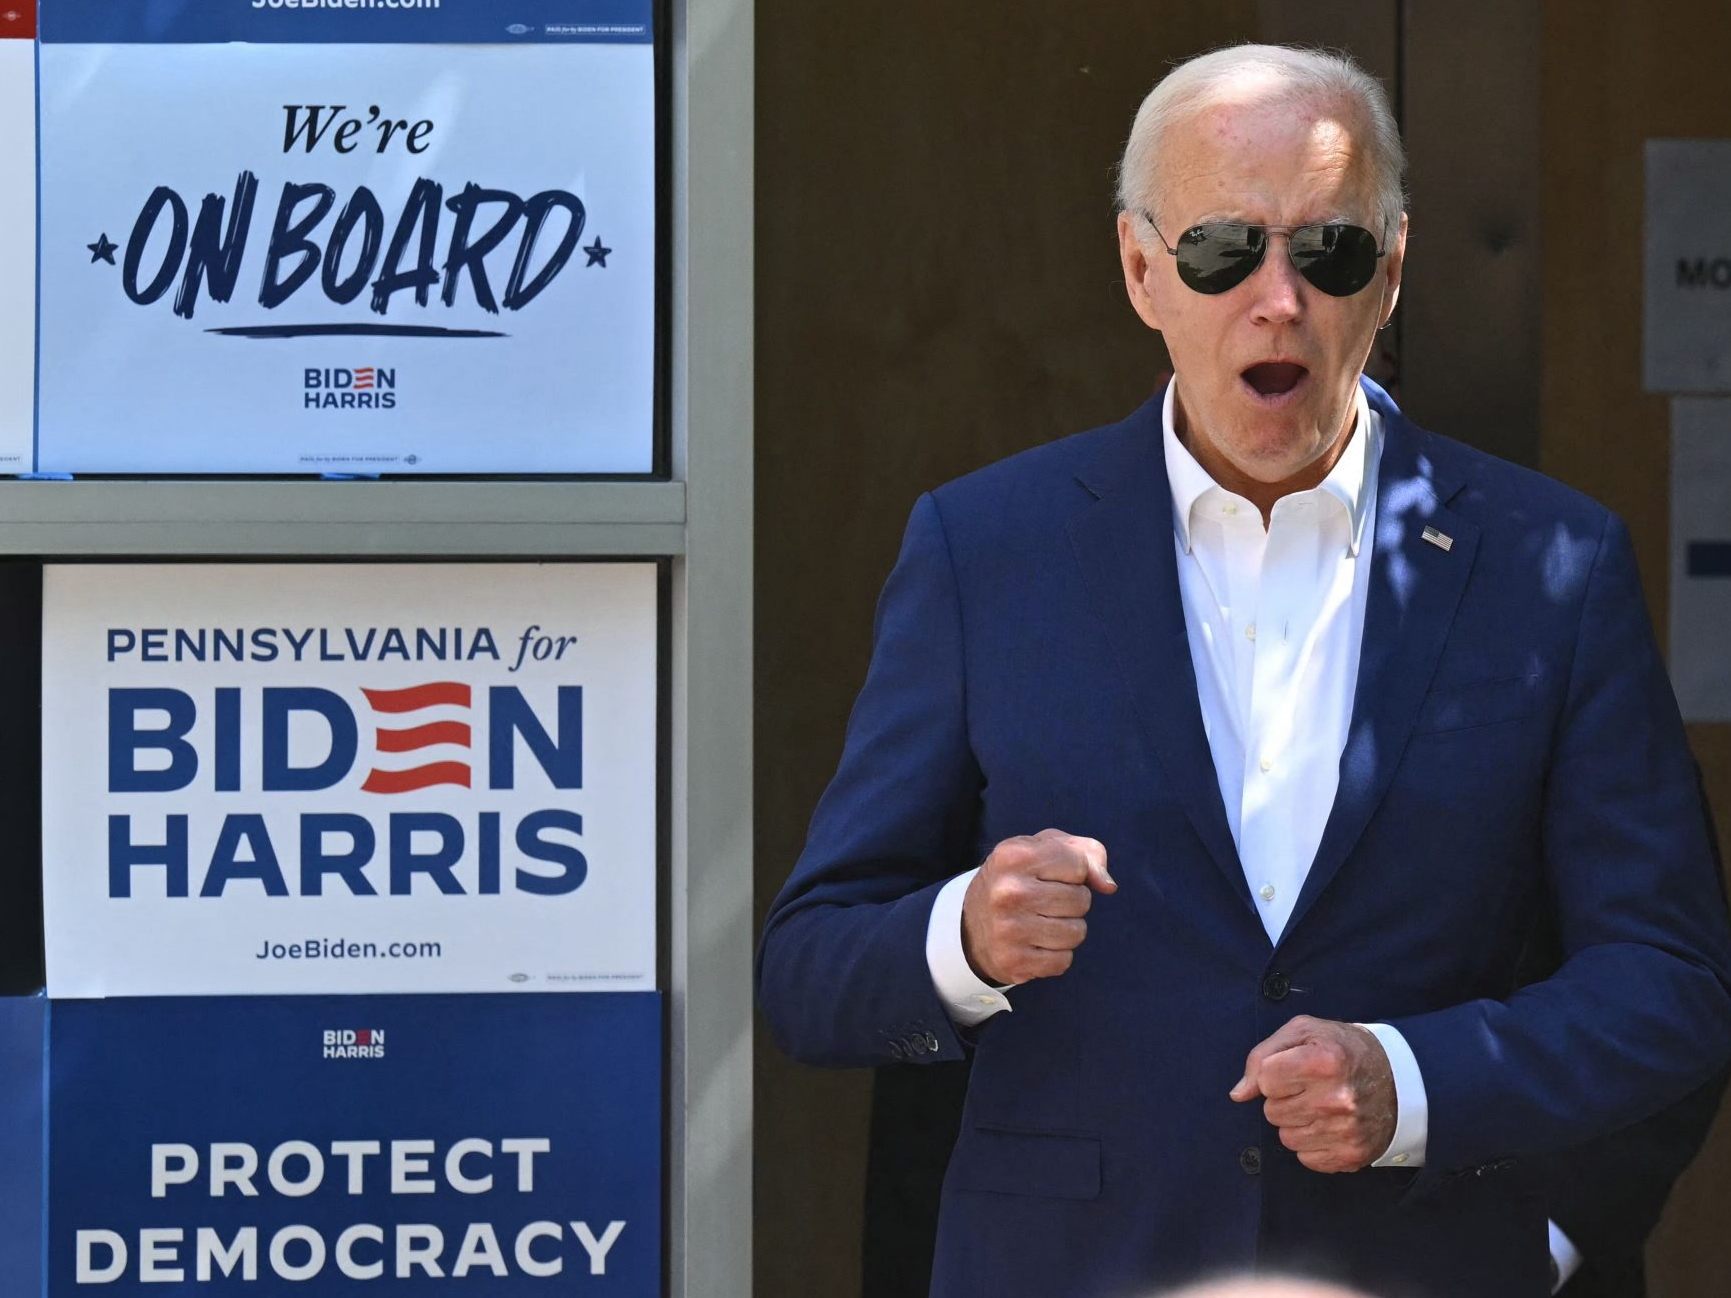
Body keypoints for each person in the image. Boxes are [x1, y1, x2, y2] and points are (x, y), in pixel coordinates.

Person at [756, 43, 1731, 1298]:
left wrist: (1417, 1083)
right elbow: (809, 969)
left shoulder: (1551, 560)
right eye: (1223, 250)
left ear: (1389, 271)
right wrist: (966, 938)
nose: (1278, 299)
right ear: (1140, 269)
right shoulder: (985, 548)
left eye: (1325, 251)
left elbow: (1671, 983)